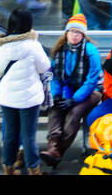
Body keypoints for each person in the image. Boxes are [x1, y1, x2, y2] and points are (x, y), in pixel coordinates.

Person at [0, 8, 50, 175]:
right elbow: (45, 67)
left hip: (7, 98)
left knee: (10, 134)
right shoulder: (33, 45)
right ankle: (34, 169)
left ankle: (8, 167)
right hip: (29, 98)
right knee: (28, 136)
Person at [43, 14, 103, 167]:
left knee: (74, 112)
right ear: (66, 33)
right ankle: (53, 146)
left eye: (78, 32)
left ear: (83, 35)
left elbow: (92, 81)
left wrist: (74, 99)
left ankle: (58, 152)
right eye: (72, 31)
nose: (75, 35)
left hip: (92, 91)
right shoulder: (61, 50)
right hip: (68, 89)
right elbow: (55, 77)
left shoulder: (90, 51)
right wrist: (56, 95)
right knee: (55, 108)